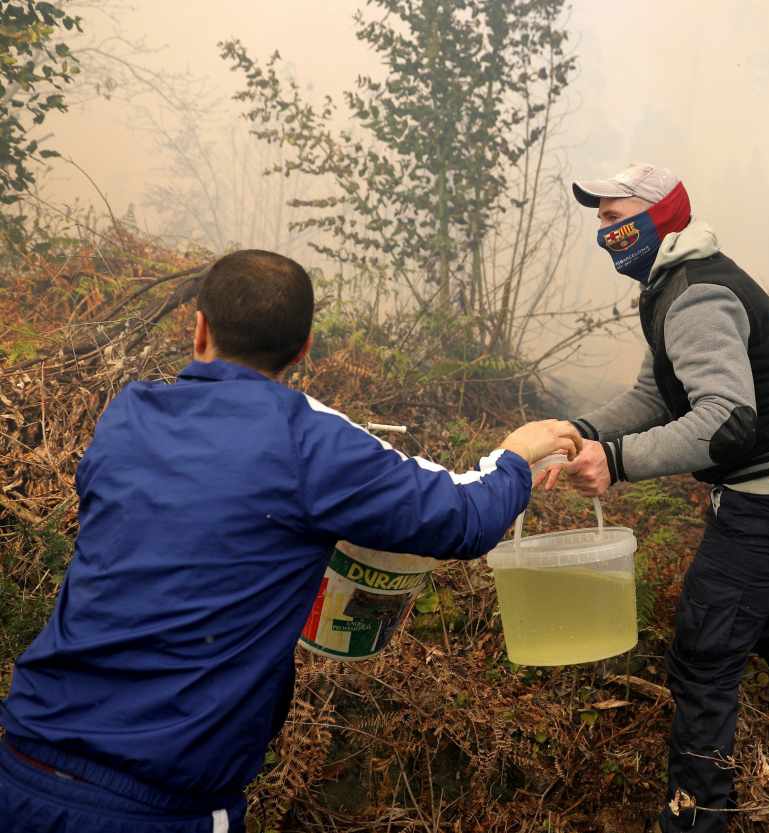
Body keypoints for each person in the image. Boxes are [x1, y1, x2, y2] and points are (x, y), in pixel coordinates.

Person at [0, 250, 580, 833]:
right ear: (304, 350)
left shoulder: (128, 415)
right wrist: (516, 455)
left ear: (199, 328)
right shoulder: (309, 444)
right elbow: (463, 519)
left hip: (23, 761)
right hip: (161, 803)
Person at [549, 164, 769, 832]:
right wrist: (583, 432)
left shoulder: (698, 296)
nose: (603, 231)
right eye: (597, 218)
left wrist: (615, 462)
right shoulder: (674, 284)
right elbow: (658, 394)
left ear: (657, 216)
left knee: (704, 653)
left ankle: (696, 819)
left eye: (611, 215)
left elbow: (725, 420)